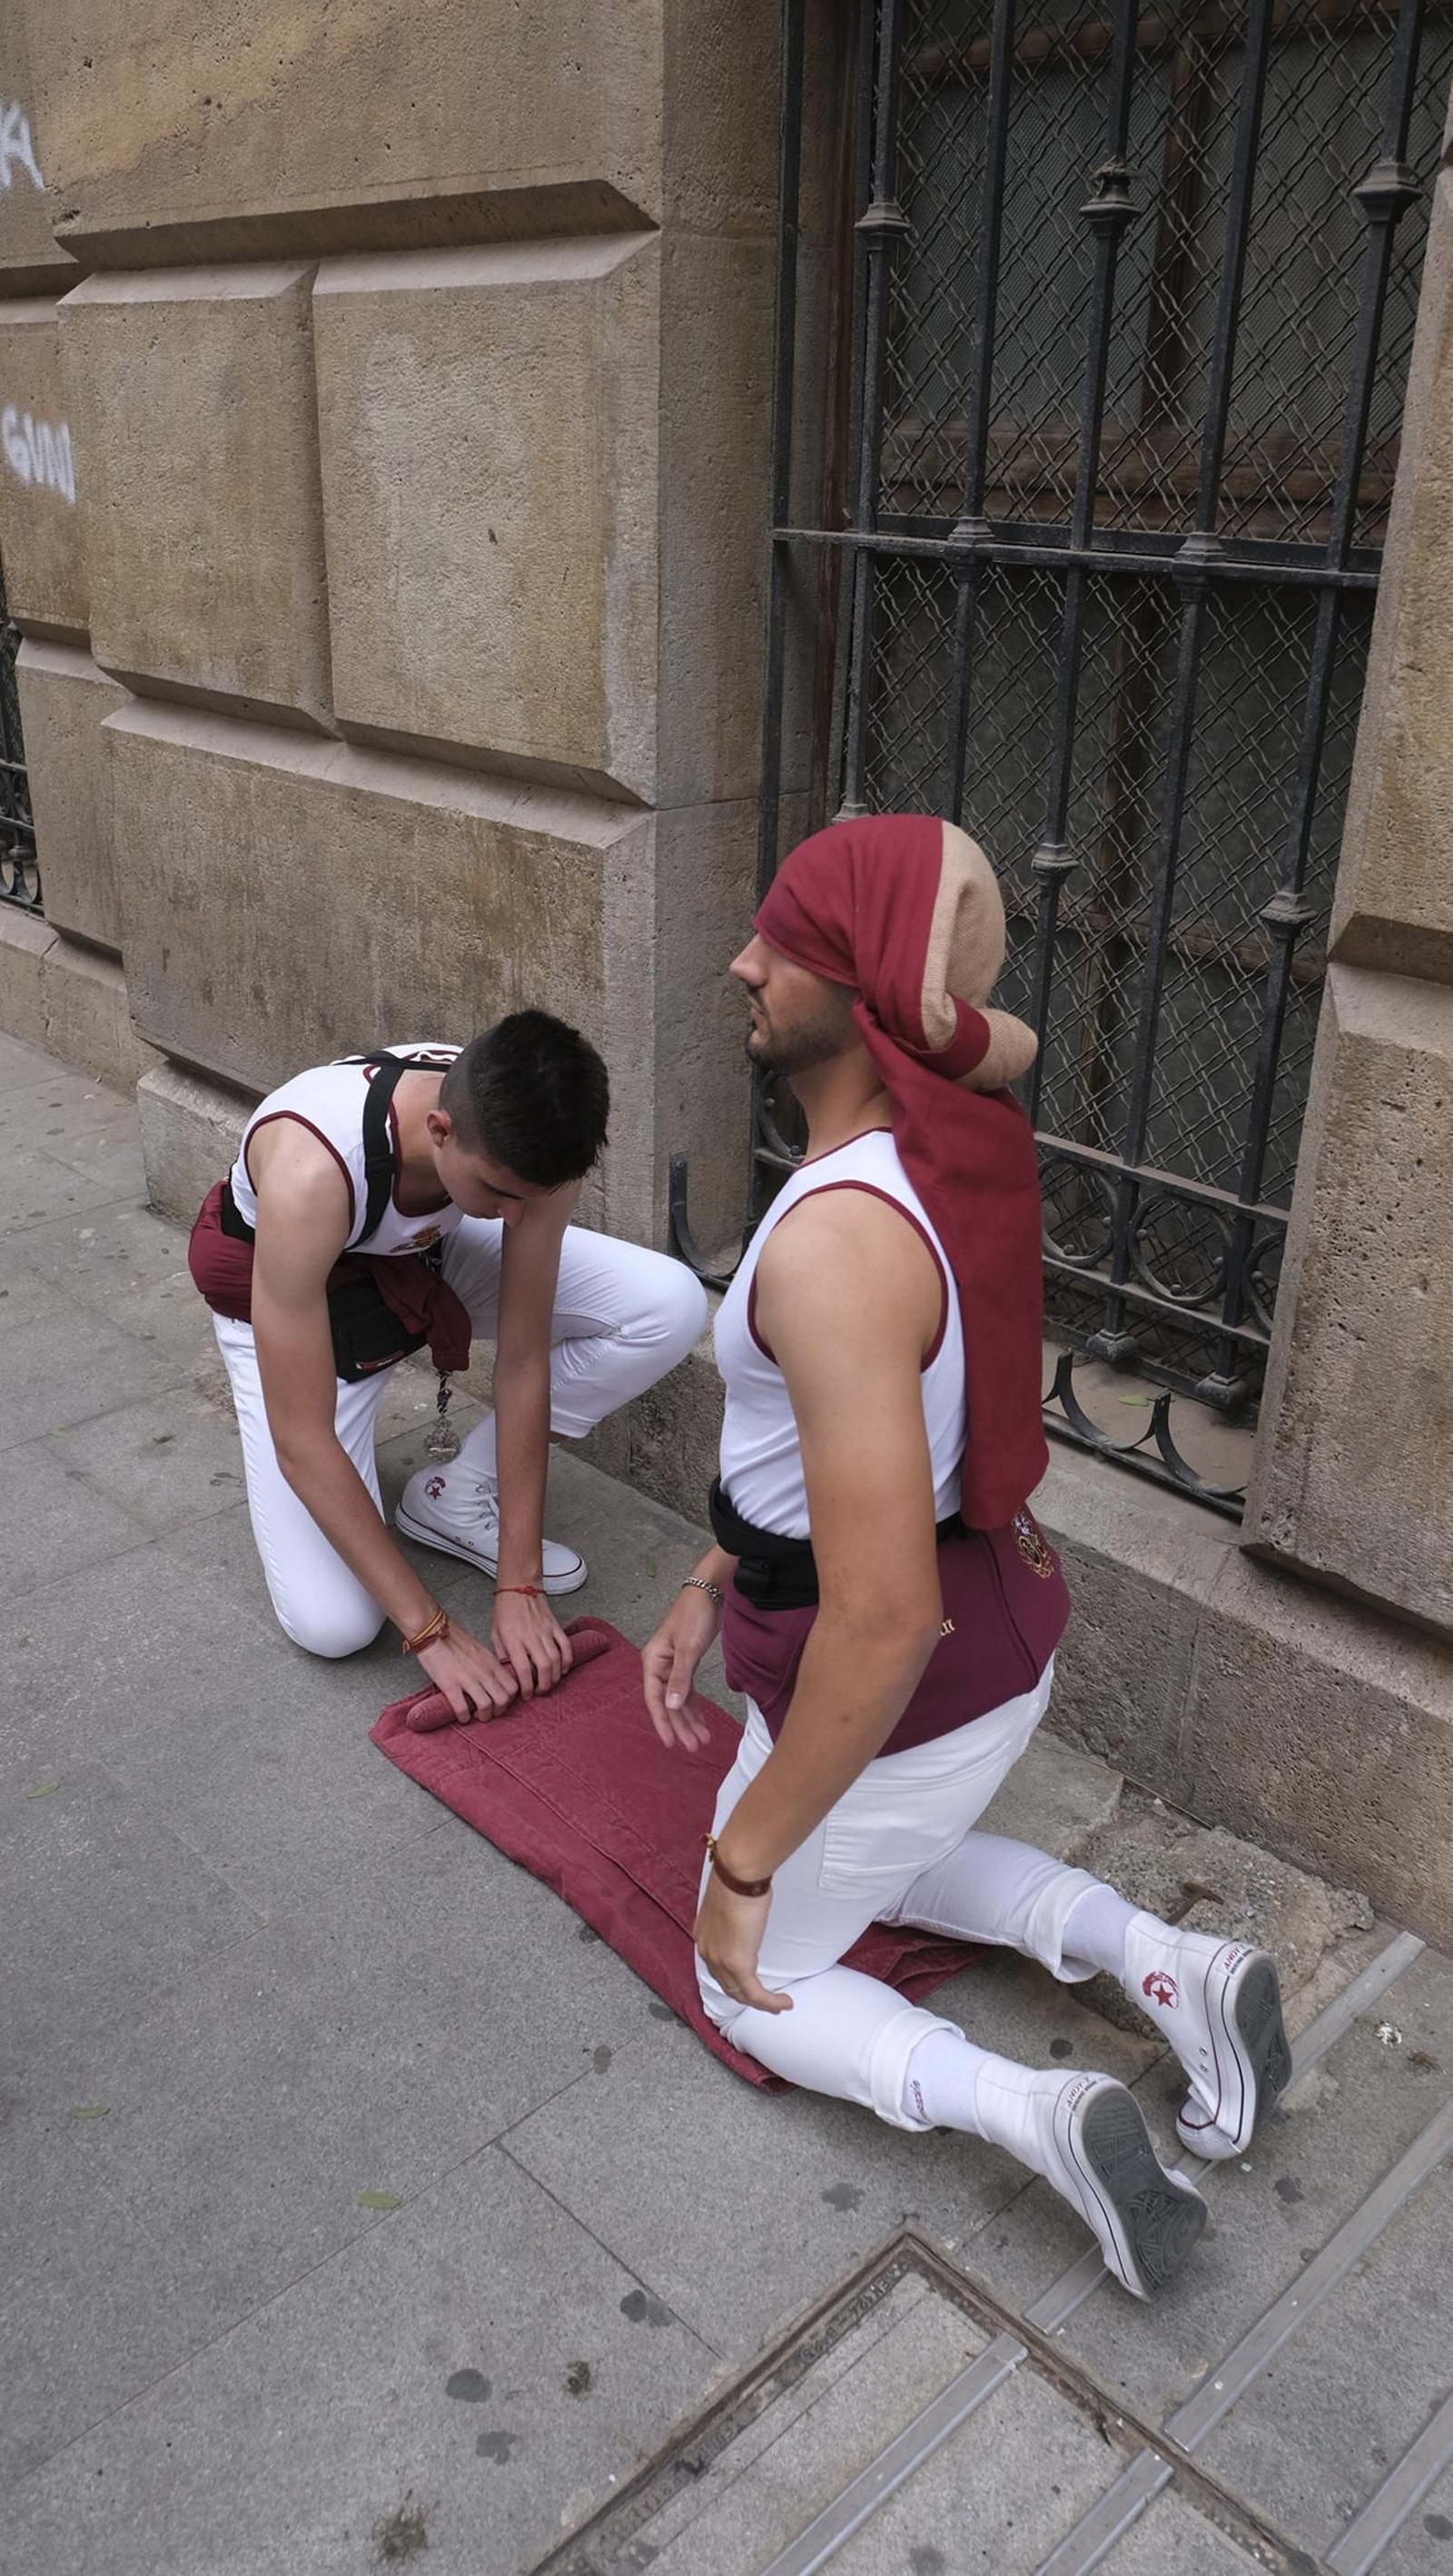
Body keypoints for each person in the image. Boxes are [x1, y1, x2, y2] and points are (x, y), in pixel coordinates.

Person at [642, 816, 1290, 2300]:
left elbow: (880, 1617)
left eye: (785, 940)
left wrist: (739, 1868)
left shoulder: (839, 1243)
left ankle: (1041, 2113)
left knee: (744, 1969)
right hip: (986, 1628)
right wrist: (703, 1579)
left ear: (864, 987)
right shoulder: (933, 1154)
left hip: (906, 1671)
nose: (744, 959)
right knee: (890, 1857)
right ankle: (1169, 1967)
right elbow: (812, 1466)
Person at [189, 1012, 707, 1718]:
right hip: (299, 1307)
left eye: (529, 1197)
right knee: (335, 1625)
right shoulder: (311, 1172)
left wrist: (519, 1583)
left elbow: (523, 1359)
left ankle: (454, 1499)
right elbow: (301, 1439)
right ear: (439, 1130)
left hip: (420, 1261)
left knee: (668, 1303)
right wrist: (431, 1629)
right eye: (499, 1194)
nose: (516, 1219)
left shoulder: (529, 1140)